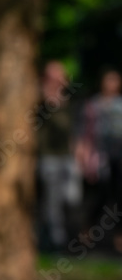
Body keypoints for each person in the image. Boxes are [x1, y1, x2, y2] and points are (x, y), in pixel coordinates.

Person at [36, 61, 81, 251]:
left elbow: (71, 128)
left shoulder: (69, 100)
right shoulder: (40, 98)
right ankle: (56, 241)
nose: (59, 79)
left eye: (61, 75)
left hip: (67, 157)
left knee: (72, 197)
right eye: (54, 75)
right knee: (52, 201)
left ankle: (62, 234)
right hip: (49, 156)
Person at [77, 68, 122, 251]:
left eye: (115, 80)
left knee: (120, 195)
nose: (111, 84)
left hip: (119, 155)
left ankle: (119, 236)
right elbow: (84, 131)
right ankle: (87, 230)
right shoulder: (93, 104)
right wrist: (83, 153)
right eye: (108, 80)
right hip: (100, 155)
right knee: (101, 195)